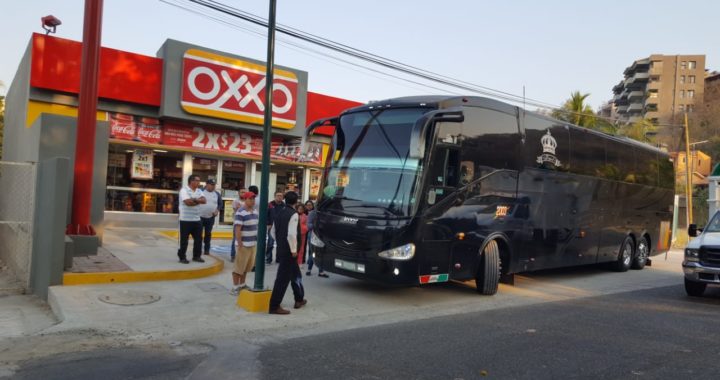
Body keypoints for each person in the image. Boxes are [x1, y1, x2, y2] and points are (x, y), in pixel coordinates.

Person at [268, 191, 306, 315]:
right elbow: (291, 234)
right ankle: (274, 306)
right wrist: (294, 250)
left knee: (296, 275)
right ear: (296, 201)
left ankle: (299, 299)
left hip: (282, 248)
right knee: (282, 279)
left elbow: (273, 231)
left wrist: (279, 242)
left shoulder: (280, 211)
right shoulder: (294, 214)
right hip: (290, 251)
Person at [230, 191, 259, 295]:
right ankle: (235, 287)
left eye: (253, 199)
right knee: (239, 267)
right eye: (250, 199)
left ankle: (242, 284)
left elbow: (256, 226)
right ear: (245, 200)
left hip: (252, 244)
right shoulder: (240, 212)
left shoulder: (255, 211)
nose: (252, 201)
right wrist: (240, 243)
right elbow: (237, 229)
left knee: (247, 266)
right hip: (244, 245)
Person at [177, 174, 206, 264]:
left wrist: (194, 200)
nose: (198, 182)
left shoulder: (199, 190)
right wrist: (198, 200)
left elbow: (204, 200)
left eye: (199, 181)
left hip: (197, 219)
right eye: (197, 180)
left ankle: (196, 256)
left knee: (198, 239)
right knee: (184, 240)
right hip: (185, 219)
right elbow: (187, 203)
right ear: (191, 181)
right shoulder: (184, 190)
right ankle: (182, 257)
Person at [199, 179, 223, 255]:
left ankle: (206, 250)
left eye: (214, 185)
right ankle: (198, 250)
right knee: (198, 234)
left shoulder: (217, 194)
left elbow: (220, 204)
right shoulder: (200, 192)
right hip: (200, 217)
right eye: (212, 185)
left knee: (208, 234)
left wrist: (217, 210)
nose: (213, 186)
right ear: (207, 184)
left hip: (210, 217)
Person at [305, 203, 328, 278]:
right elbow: (308, 225)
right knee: (313, 253)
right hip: (313, 235)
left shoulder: (325, 214)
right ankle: (309, 269)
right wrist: (318, 226)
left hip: (323, 236)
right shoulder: (312, 213)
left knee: (322, 254)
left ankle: (321, 271)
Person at [266, 191, 285, 264]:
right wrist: (268, 224)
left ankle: (278, 259)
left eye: (281, 196)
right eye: (278, 195)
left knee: (280, 245)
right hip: (272, 227)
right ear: (274, 196)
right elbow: (266, 214)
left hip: (281, 227)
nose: (279, 197)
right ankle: (268, 258)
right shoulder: (270, 204)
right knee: (270, 244)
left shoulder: (284, 205)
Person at [229, 187, 248, 262]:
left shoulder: (248, 201)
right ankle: (233, 255)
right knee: (235, 240)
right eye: (242, 192)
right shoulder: (235, 201)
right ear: (238, 193)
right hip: (238, 224)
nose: (243, 194)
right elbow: (237, 211)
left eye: (244, 192)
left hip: (246, 224)